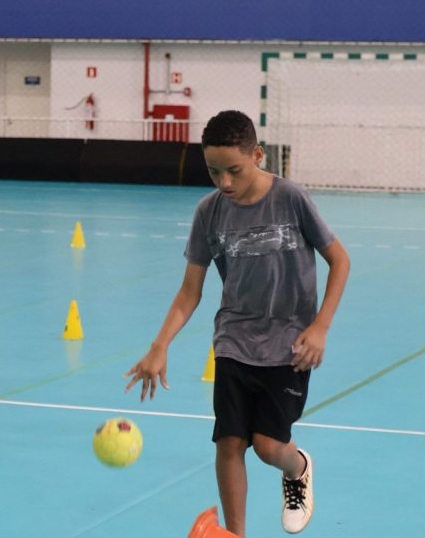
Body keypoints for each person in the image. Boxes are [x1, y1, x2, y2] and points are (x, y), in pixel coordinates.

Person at [124, 111, 350, 536]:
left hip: (289, 344)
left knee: (267, 446)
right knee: (229, 442)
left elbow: (340, 260)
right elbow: (190, 290)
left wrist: (320, 327)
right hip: (233, 340)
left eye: (234, 170)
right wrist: (161, 344)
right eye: (213, 171)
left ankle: (298, 467)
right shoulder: (209, 212)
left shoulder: (291, 198)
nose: (224, 182)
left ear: (258, 155)